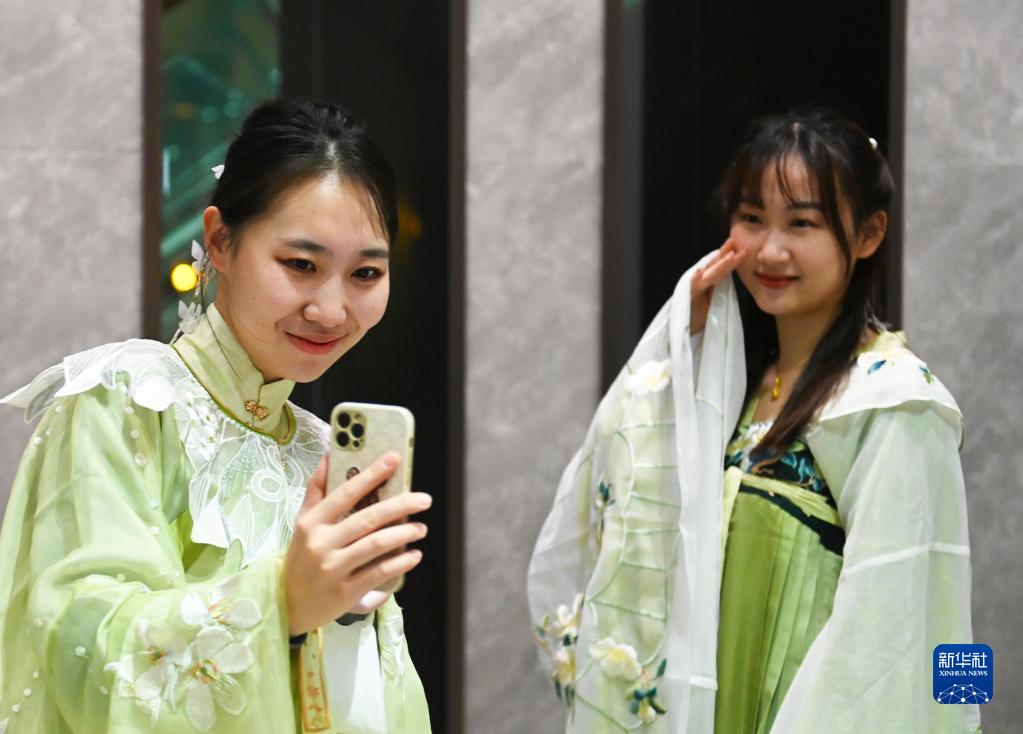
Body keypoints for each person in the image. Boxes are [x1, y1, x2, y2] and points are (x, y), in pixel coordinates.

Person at [528, 107, 980, 733]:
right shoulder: (736, 387)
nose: (770, 249)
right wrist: (678, 347)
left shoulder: (896, 400)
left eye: (802, 223)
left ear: (869, 233)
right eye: (751, 218)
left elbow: (906, 620)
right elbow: (614, 494)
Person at [0, 98, 431, 733]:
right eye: (301, 265)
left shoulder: (320, 449)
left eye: (365, 273)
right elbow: (81, 644)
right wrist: (281, 600)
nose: (332, 310)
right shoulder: (125, 397)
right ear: (221, 240)